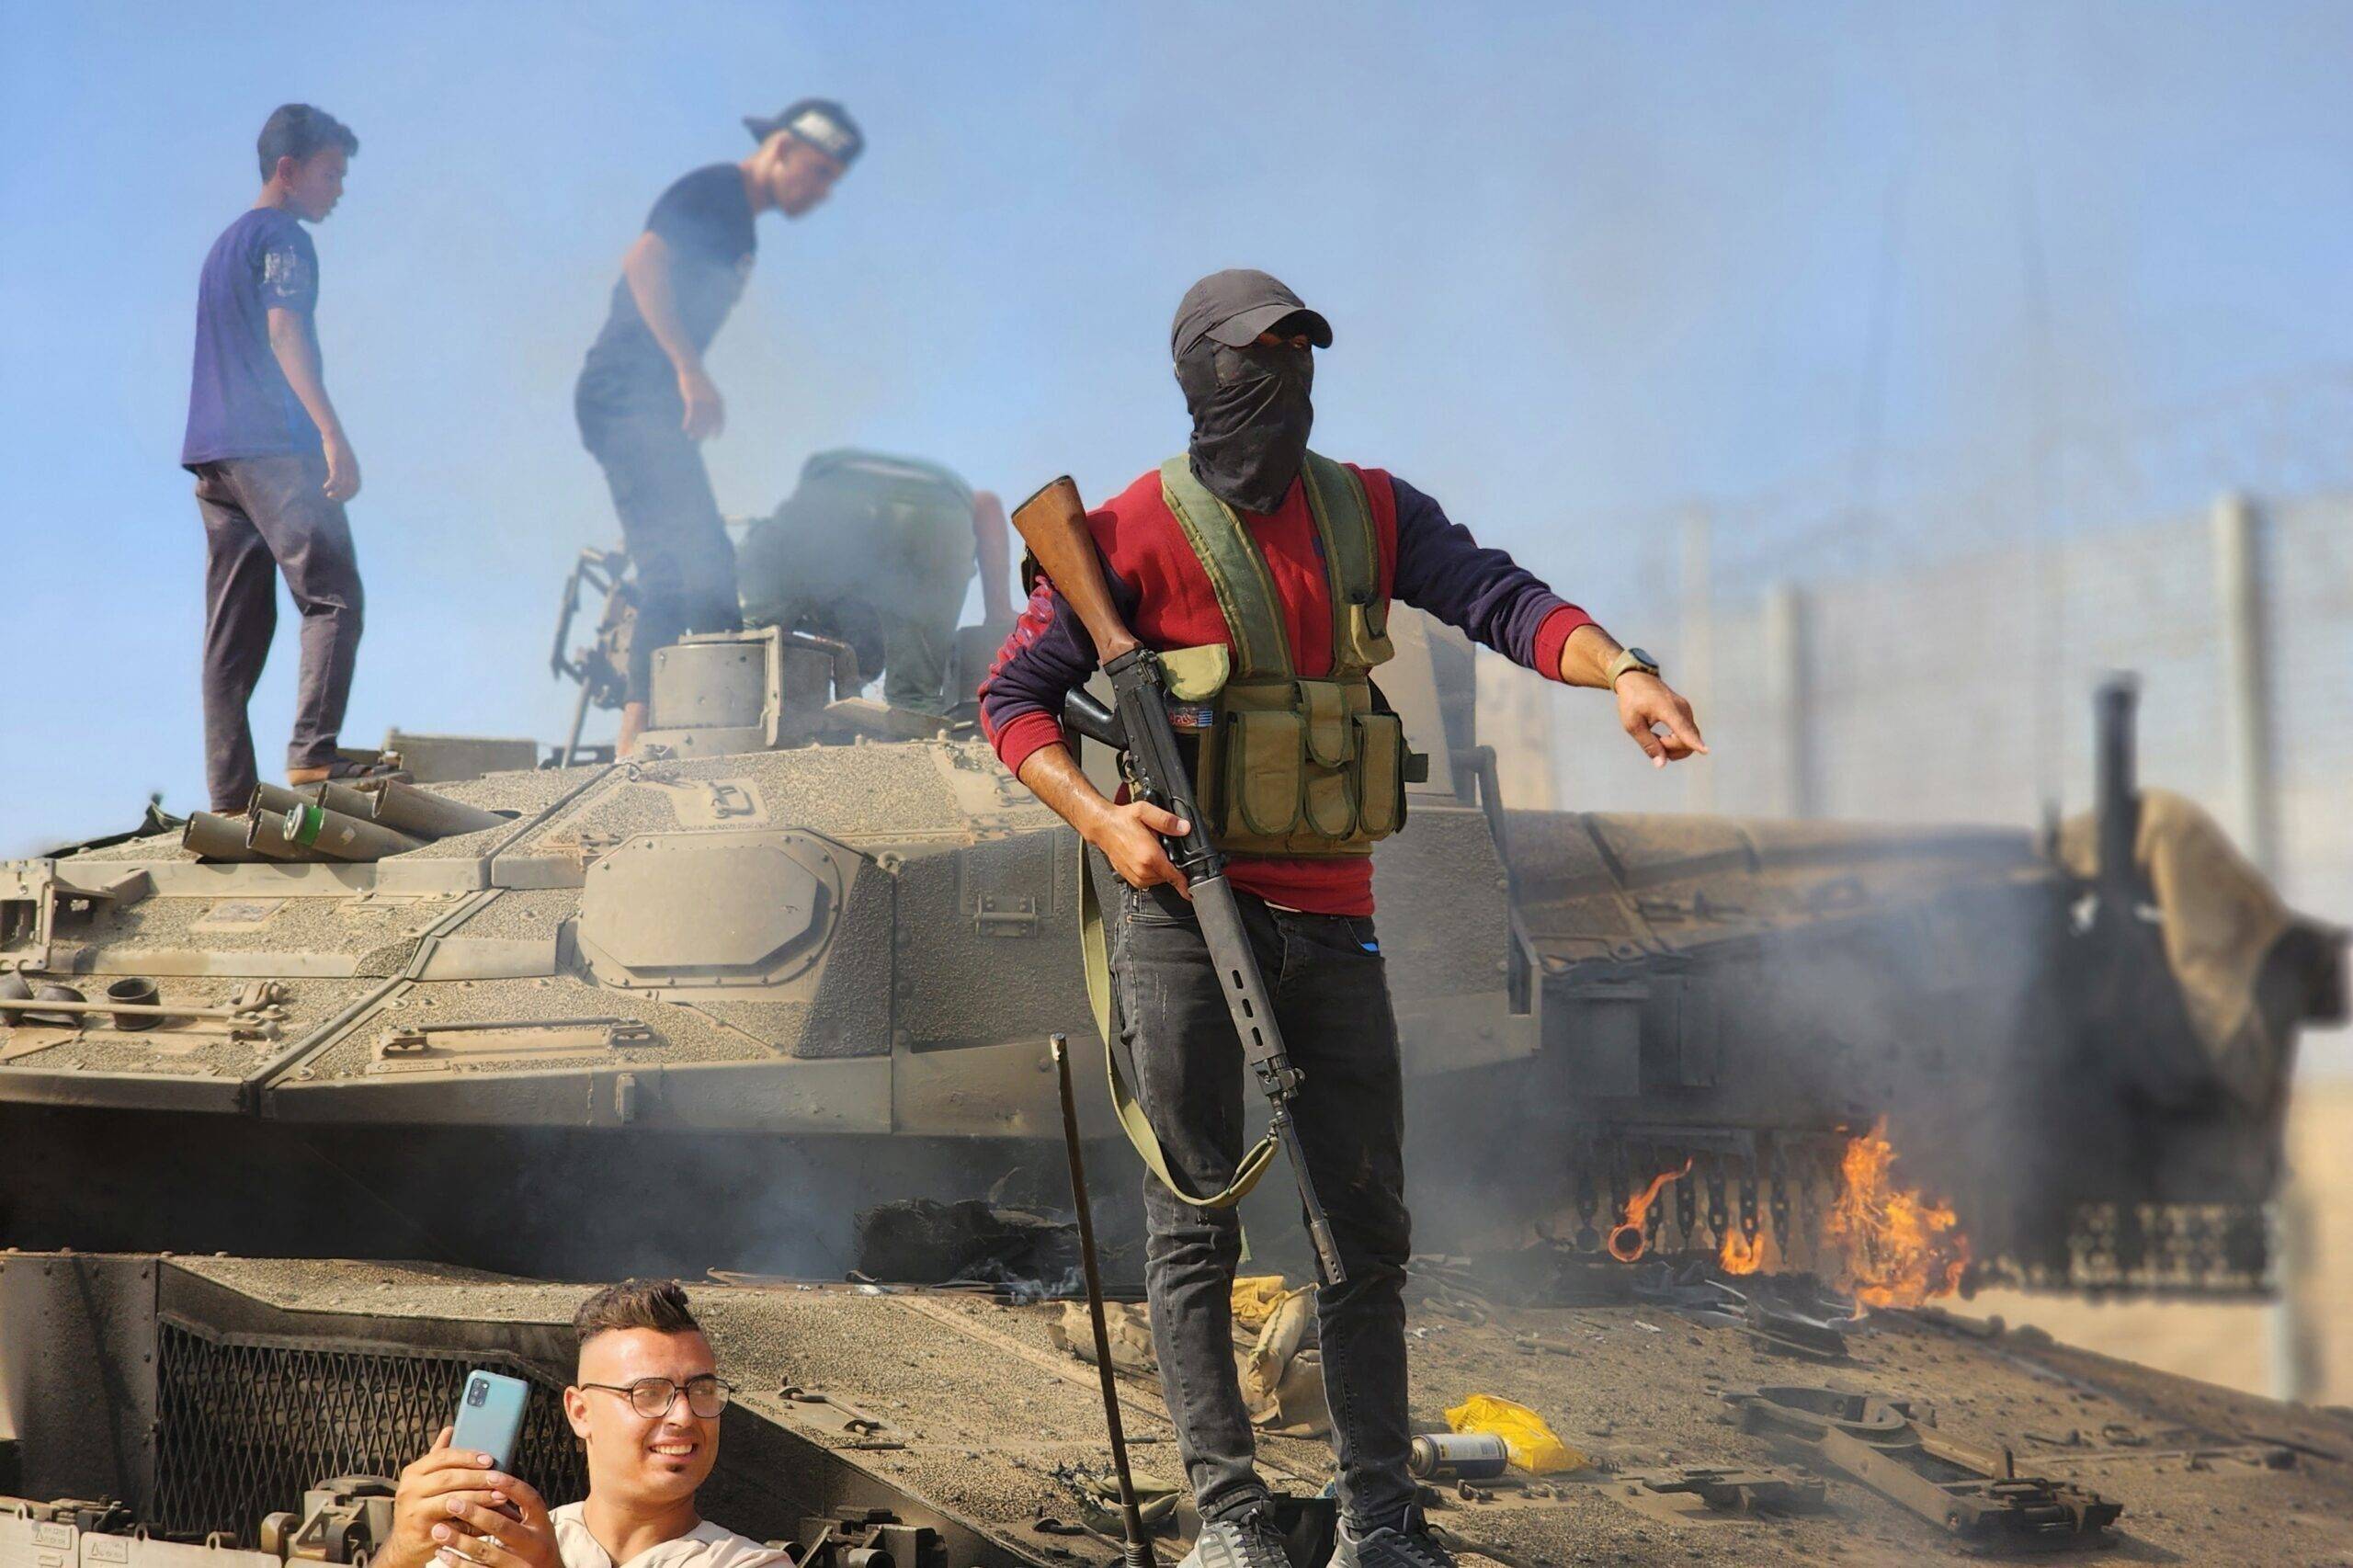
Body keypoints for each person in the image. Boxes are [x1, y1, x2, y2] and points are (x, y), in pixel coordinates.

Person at [978, 270, 1705, 1568]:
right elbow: (1012, 702)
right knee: (1194, 1220)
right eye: (1259, 359)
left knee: (1362, 1231)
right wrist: (1102, 820)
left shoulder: (1370, 511)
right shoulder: (1135, 531)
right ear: (1203, 375)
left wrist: (1625, 672)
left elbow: (1500, 596)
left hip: (1335, 927)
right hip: (1185, 928)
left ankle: (1380, 1515)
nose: (1285, 382)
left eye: (1302, 355)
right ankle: (1231, 1519)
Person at [574, 101, 863, 755]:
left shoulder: (743, 228)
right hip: (627, 394)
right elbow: (644, 260)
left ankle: (714, 726)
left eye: (830, 181)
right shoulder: (715, 192)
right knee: (674, 562)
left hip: (649, 405)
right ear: (781, 148)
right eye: (817, 172)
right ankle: (638, 736)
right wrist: (687, 369)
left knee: (705, 563)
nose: (820, 192)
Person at [181, 103, 379, 813]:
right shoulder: (284, 237)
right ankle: (314, 760)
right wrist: (331, 432)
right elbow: (284, 331)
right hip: (274, 447)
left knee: (232, 635)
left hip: (215, 461)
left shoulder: (224, 245)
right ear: (289, 172)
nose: (339, 188)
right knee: (333, 595)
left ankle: (231, 796)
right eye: (331, 172)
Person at [381, 1279, 782, 1568]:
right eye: (649, 1393)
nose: (683, 1415)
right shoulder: (503, 1548)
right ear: (580, 1413)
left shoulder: (748, 1563)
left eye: (702, 1389)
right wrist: (402, 1553)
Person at [736, 448, 1014, 714]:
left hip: (832, 496)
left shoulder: (824, 600)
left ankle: (743, 696)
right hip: (936, 509)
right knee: (912, 702)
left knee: (746, 643)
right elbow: (985, 504)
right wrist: (998, 610)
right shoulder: (866, 609)